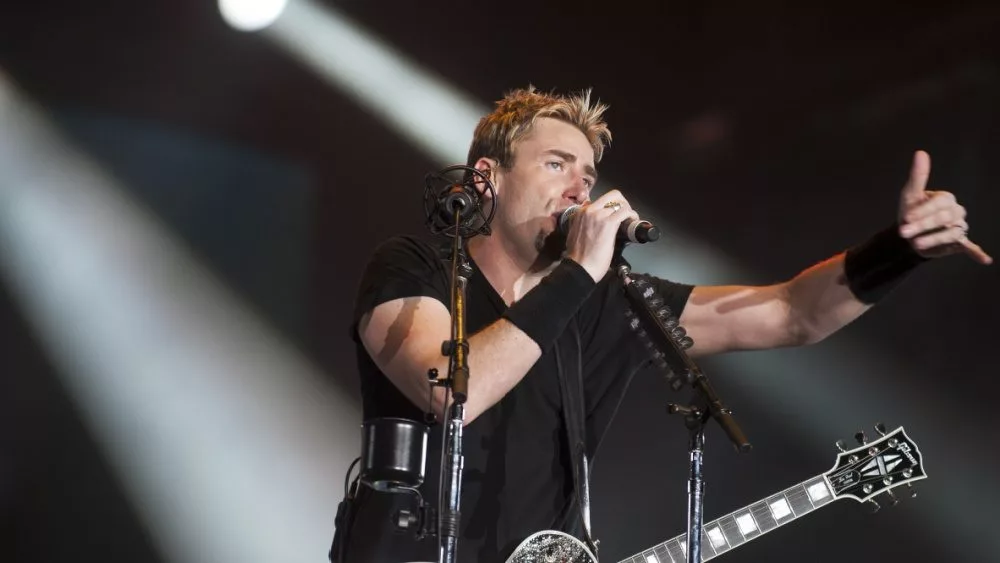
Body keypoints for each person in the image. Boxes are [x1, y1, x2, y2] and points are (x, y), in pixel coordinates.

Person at [330, 86, 991, 563]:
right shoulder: (413, 267)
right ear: (487, 178)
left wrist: (898, 250)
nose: (579, 189)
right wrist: (578, 273)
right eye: (556, 164)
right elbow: (451, 392)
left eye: (588, 175)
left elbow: (793, 313)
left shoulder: (607, 300)